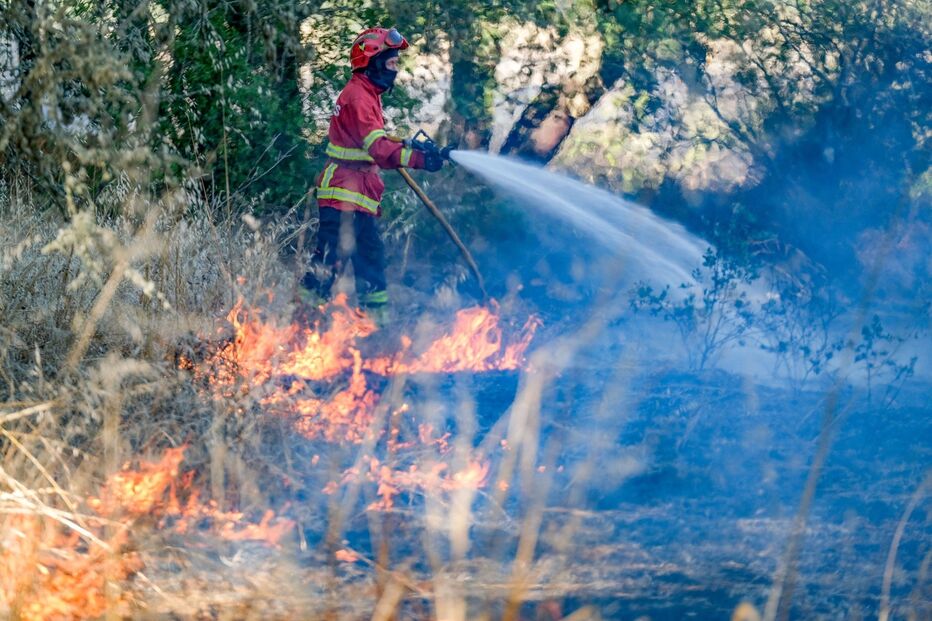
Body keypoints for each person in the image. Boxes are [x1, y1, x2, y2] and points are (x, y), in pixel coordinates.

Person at [301, 27, 445, 317]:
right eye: (391, 63)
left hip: (358, 194)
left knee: (370, 262)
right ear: (373, 62)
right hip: (343, 194)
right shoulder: (358, 97)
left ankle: (374, 331)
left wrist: (419, 152)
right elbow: (379, 149)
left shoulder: (368, 94)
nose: (395, 70)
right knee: (329, 263)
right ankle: (299, 323)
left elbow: (376, 144)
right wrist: (420, 160)